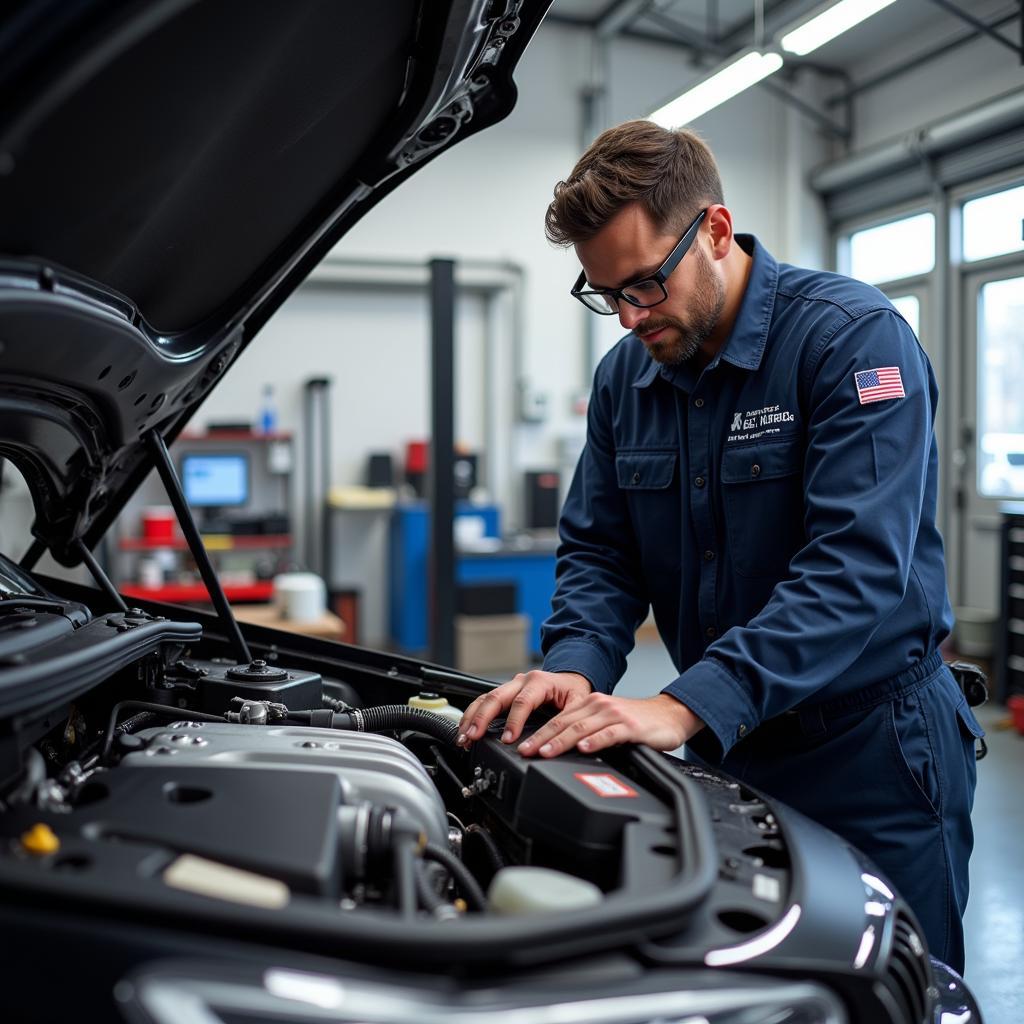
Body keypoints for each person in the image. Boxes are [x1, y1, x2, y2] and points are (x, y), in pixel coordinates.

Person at [457, 120, 984, 973]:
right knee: (755, 980)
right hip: (728, 747)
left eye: (644, 285)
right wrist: (576, 662)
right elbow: (601, 552)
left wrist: (687, 703)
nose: (629, 318)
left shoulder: (850, 339)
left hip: (873, 753)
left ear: (713, 230)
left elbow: (856, 569)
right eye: (606, 295)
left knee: (894, 986)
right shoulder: (625, 379)